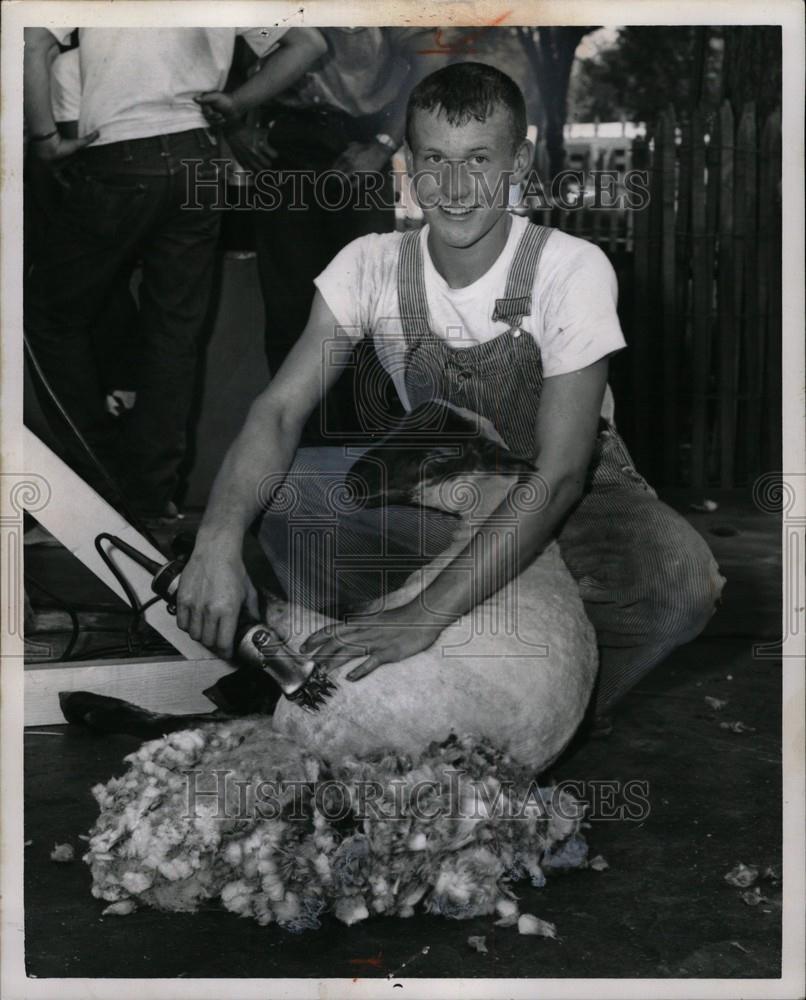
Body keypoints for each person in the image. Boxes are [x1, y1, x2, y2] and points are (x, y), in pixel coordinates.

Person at [176, 62, 725, 719]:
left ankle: (544, 721)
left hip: (580, 502)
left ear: (518, 164)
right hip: (448, 487)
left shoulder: (569, 268)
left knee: (680, 585)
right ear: (407, 162)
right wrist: (215, 539)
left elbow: (562, 471)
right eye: (434, 158)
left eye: (478, 159)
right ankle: (342, 684)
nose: (455, 186)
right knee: (284, 500)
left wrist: (424, 614)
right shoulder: (370, 265)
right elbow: (280, 408)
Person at [23, 26, 327, 520]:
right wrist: (235, 101)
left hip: (119, 154)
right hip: (198, 158)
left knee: (45, 314)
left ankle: (103, 479)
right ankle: (151, 497)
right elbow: (309, 45)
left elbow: (35, 42)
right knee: (175, 333)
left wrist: (43, 139)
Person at [229, 27, 439, 438]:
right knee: (288, 315)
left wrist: (385, 143)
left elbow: (431, 59)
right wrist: (234, 125)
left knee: (363, 315)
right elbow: (222, 51)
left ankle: (362, 461)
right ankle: (300, 463)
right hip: (282, 146)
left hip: (358, 145)